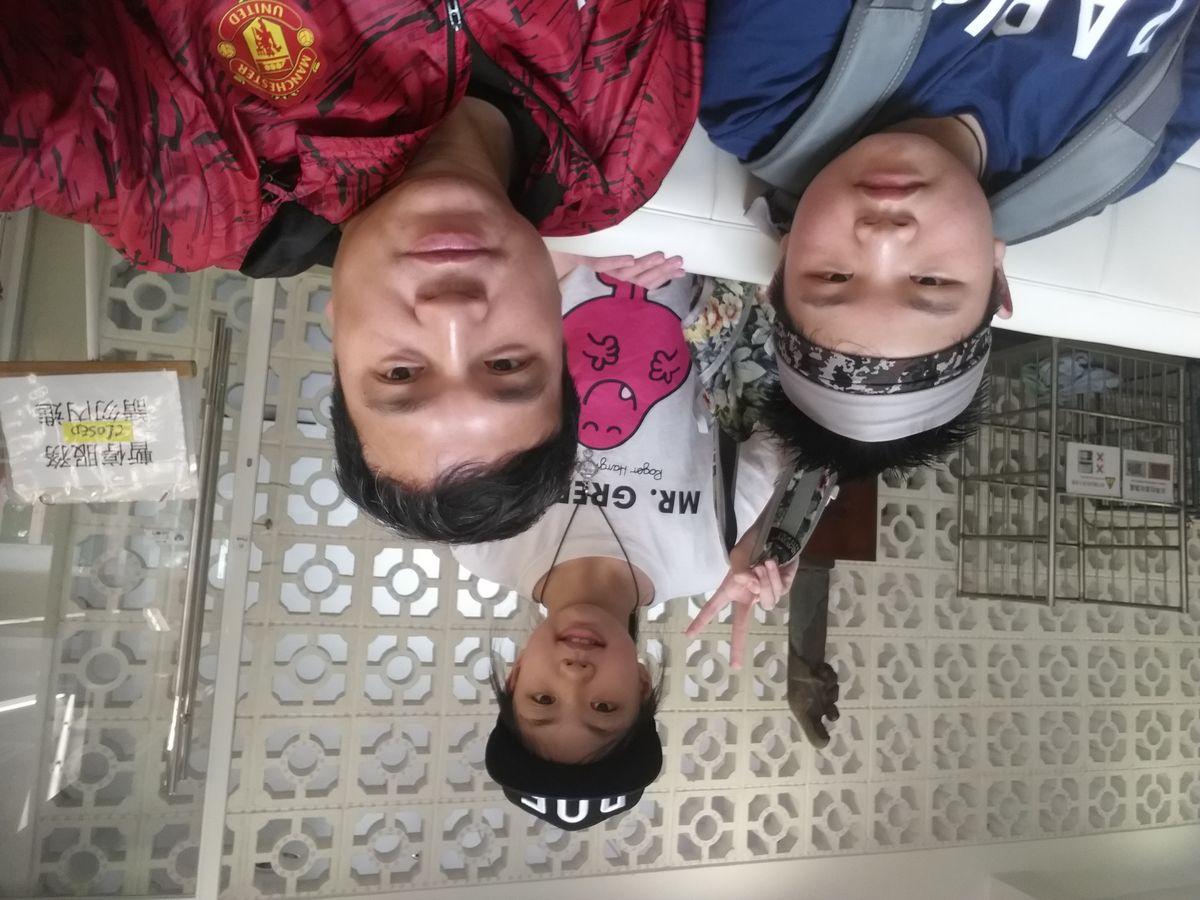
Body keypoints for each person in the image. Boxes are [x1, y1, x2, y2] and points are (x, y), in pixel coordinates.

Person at [0, 0, 703, 543]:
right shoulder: (620, 147)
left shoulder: (190, 188)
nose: (452, 316)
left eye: (399, 373)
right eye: (507, 364)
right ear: (556, 314)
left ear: (337, 336)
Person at [699, 0, 1200, 481]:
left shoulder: (767, 94)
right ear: (997, 278)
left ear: (784, 259)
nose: (884, 238)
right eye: (930, 281)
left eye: (834, 275)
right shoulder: (1113, 153)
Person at [454, 263, 793, 829]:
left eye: (542, 701)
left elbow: (463, 364)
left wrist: (563, 260)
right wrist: (778, 533)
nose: (574, 674)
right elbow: (800, 422)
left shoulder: (482, 539)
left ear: (515, 678)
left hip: (558, 241)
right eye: (604, 707)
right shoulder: (709, 558)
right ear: (641, 685)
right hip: (708, 248)